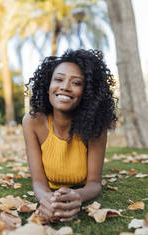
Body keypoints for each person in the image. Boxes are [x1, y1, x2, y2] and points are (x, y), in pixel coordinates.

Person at [22, 49, 117, 222]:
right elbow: (38, 182)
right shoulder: (32, 122)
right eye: (58, 79)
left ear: (88, 92)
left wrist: (77, 196)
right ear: (47, 85)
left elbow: (94, 184)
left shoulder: (96, 126)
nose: (65, 86)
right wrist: (46, 200)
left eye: (76, 83)